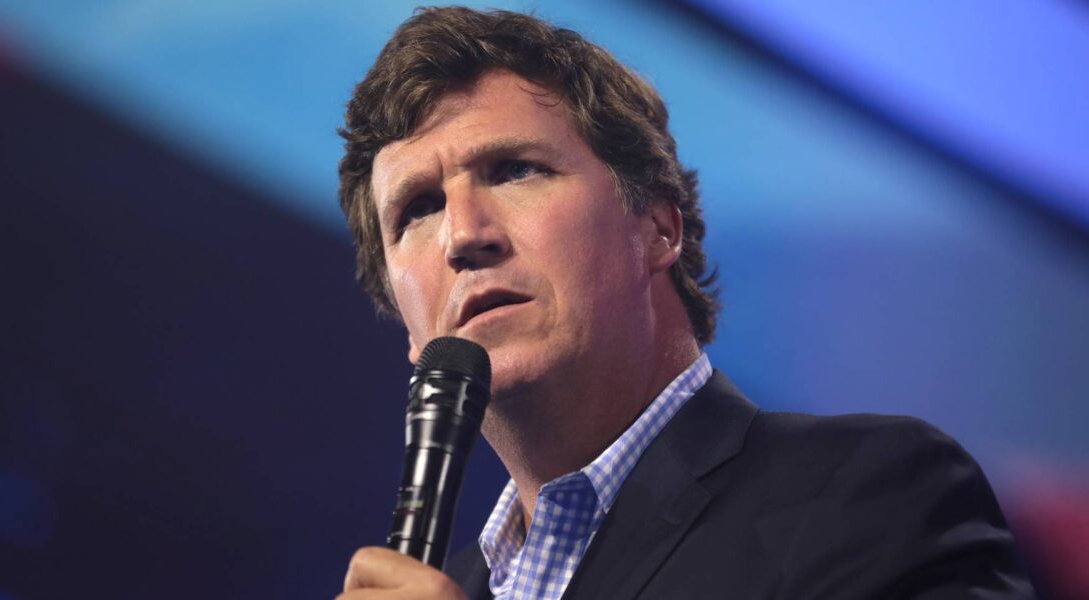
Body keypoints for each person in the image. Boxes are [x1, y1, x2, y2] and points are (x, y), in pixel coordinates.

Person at [335, 7, 1035, 599]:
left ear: (657, 225)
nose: (463, 235)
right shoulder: (447, 585)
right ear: (406, 324)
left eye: (514, 170)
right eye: (418, 210)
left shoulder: (873, 496)